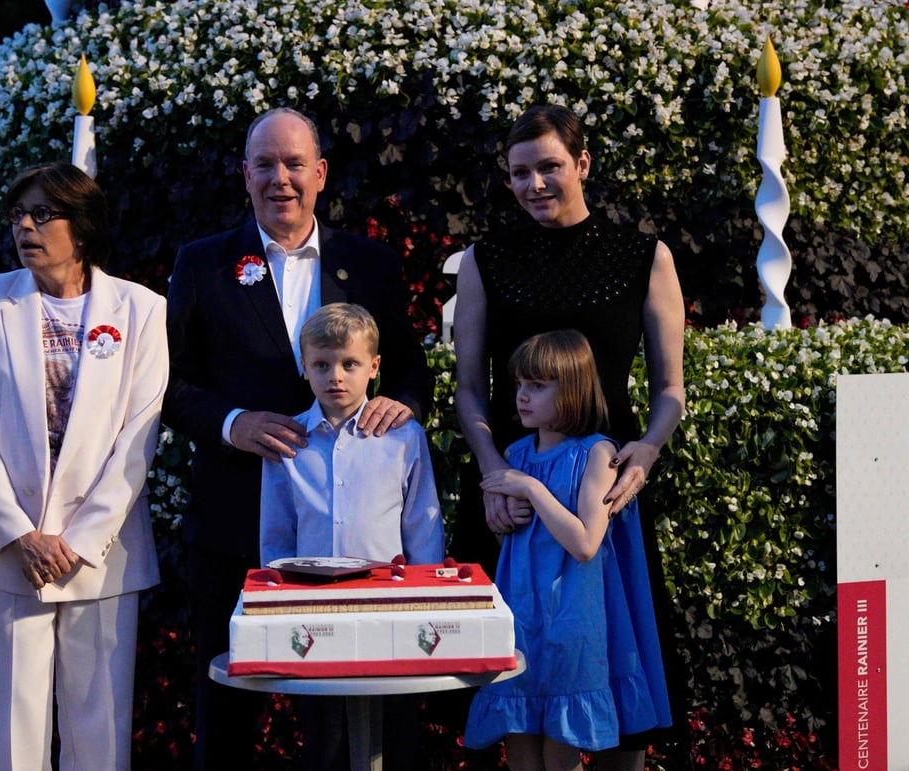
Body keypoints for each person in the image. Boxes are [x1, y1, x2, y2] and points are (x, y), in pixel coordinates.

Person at [163, 106, 434, 770]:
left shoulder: (369, 263)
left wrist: (399, 405)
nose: (279, 178)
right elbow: (168, 384)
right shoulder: (202, 264)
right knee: (227, 717)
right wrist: (234, 423)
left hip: (359, 549)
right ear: (244, 174)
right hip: (234, 525)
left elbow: (409, 370)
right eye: (265, 164)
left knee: (370, 719)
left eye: (293, 164)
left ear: (320, 174)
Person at [450, 103, 687, 767]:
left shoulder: (644, 257)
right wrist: (494, 477)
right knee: (514, 688)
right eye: (519, 172)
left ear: (582, 164)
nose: (534, 184)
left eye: (549, 166)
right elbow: (469, 388)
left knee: (618, 680)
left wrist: (648, 449)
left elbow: (671, 389)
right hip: (510, 496)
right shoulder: (484, 260)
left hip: (603, 494)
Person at [0, 162, 169, 771]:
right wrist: (21, 534)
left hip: (101, 557)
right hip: (9, 553)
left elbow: (137, 439)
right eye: (18, 214)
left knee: (100, 739)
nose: (25, 227)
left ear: (83, 224)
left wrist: (79, 541)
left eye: (42, 214)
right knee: (14, 740)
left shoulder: (141, 309)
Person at [463, 329, 671, 770]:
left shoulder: (597, 453)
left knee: (561, 752)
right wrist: (504, 516)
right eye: (520, 384)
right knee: (519, 745)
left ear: (573, 389)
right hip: (520, 619)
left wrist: (532, 490)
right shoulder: (516, 453)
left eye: (538, 386)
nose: (522, 396)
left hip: (571, 623)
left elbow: (585, 543)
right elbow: (514, 543)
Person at [260, 302, 444, 770]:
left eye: (349, 364)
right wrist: (277, 606)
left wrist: (426, 600)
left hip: (390, 609)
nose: (336, 377)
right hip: (312, 610)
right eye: (322, 365)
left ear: (374, 367)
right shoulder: (287, 442)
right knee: (324, 738)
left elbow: (423, 524)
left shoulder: (403, 437)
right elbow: (276, 535)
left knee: (395, 731)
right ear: (305, 367)